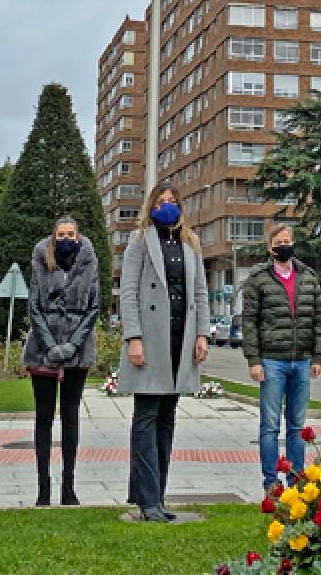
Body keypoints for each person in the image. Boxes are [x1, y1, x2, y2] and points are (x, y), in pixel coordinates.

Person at [118, 181, 210, 522]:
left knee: (167, 418)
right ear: (151, 206)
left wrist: (202, 334)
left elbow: (199, 292)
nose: (167, 206)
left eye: (172, 201)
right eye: (161, 201)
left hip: (179, 340)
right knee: (146, 416)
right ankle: (146, 499)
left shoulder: (191, 243)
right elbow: (127, 292)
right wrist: (134, 338)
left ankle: (157, 494)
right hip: (150, 339)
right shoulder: (140, 241)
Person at [240, 223, 321, 493]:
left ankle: (296, 480)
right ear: (270, 247)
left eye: (287, 241)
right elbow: (249, 323)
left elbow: (318, 319)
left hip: (302, 360)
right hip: (271, 361)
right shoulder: (258, 279)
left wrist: (318, 357)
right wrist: (254, 360)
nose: (284, 245)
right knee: (270, 425)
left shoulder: (308, 277)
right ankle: (271, 482)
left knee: (297, 425)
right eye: (278, 242)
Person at [22, 215, 101, 507]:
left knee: (71, 416)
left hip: (77, 351)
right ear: (53, 237)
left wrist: (71, 346)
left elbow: (94, 307)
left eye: (71, 234)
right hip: (43, 349)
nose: (66, 238)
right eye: (61, 234)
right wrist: (51, 346)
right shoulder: (42, 261)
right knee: (43, 416)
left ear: (78, 237)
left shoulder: (89, 263)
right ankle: (43, 489)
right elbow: (34, 306)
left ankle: (69, 487)